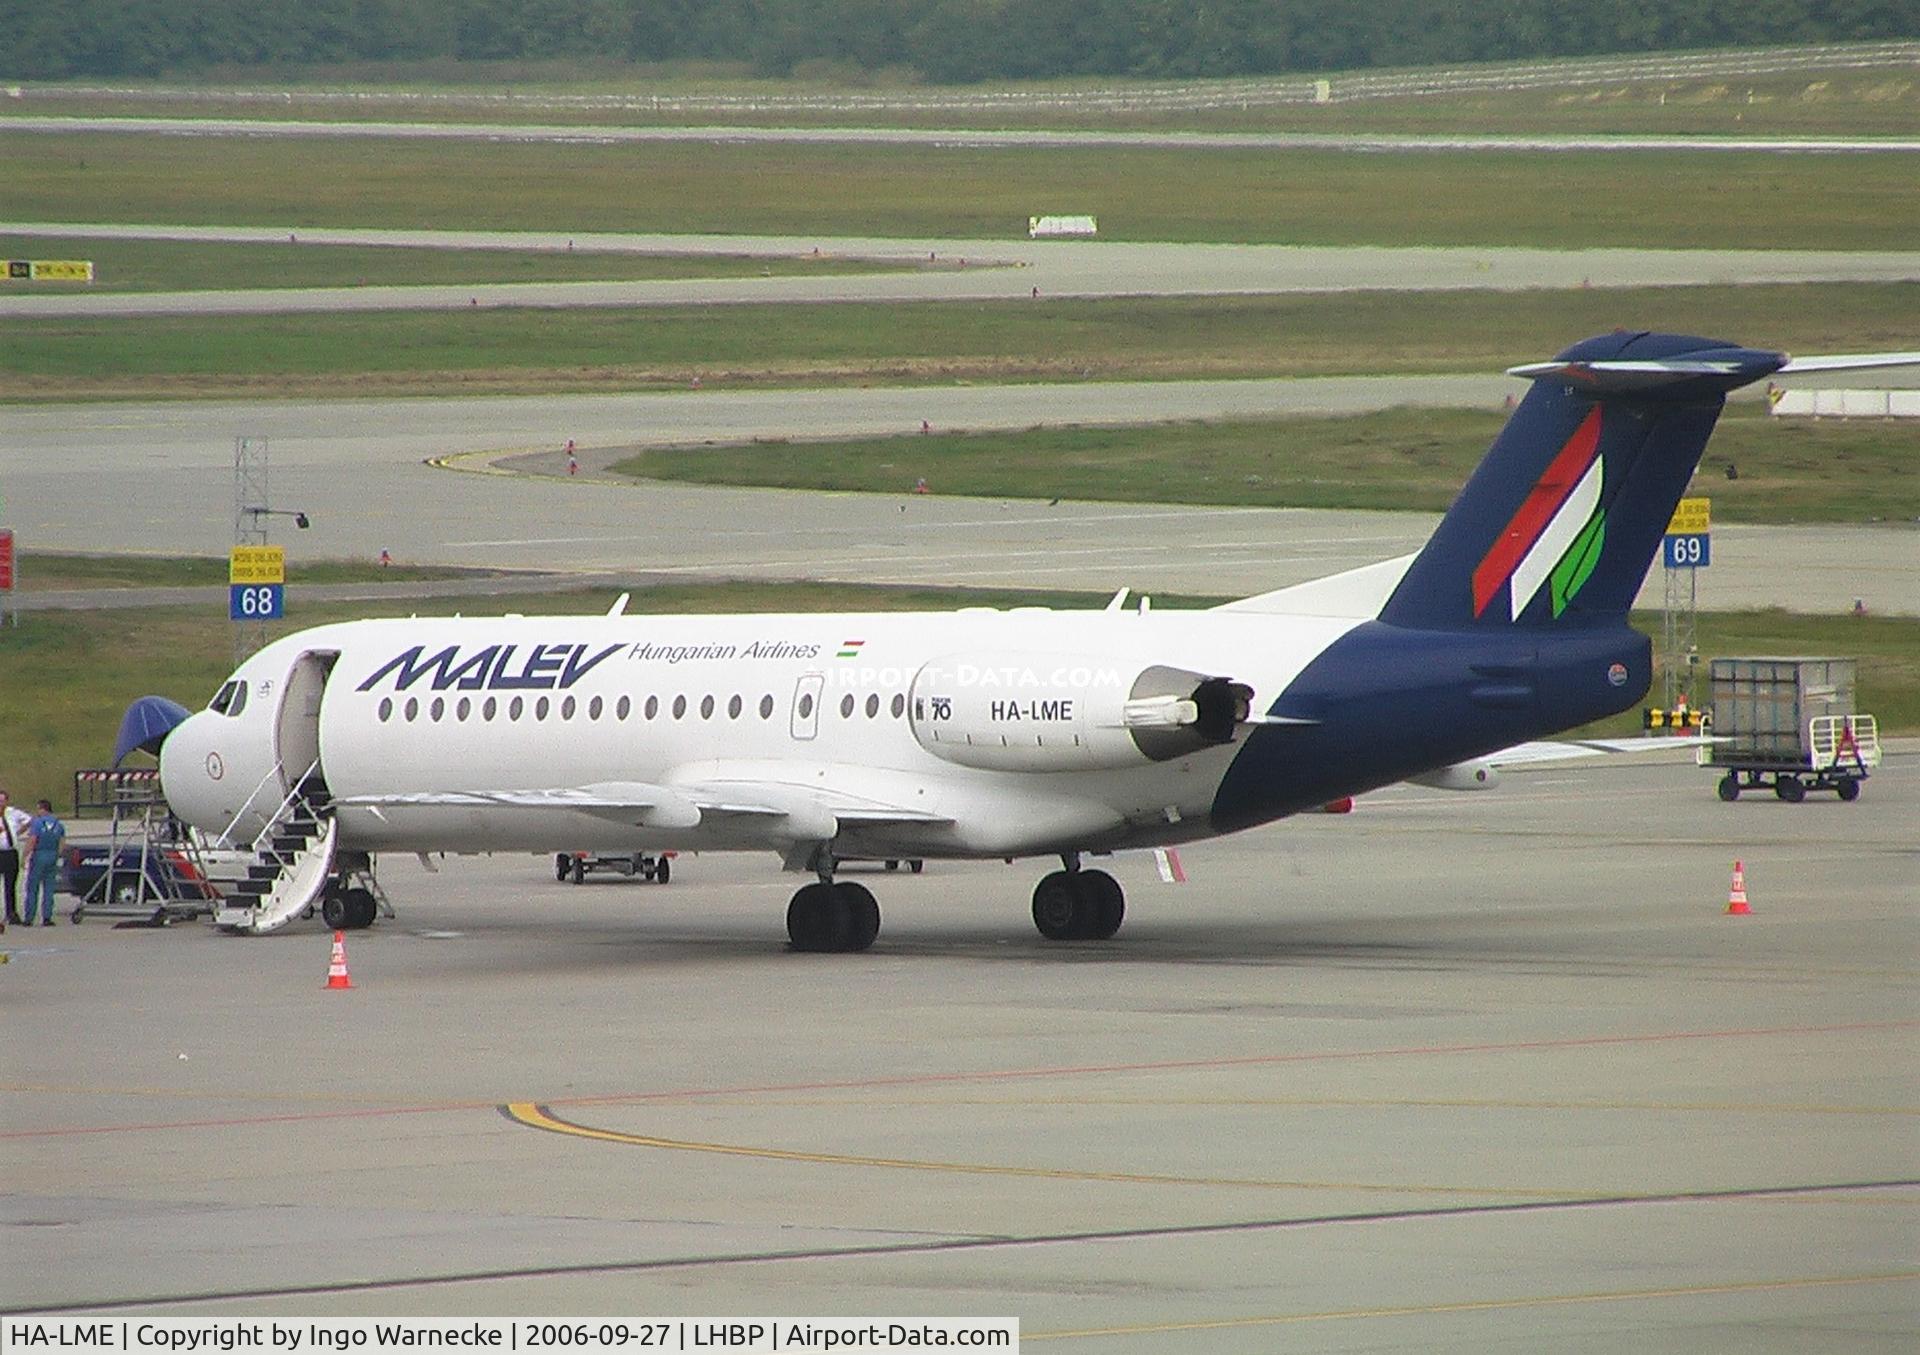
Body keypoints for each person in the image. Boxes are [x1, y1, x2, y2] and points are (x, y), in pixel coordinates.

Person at [22, 798, 65, 926]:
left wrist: (24, 856)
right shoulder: (58, 824)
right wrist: (57, 855)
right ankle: (47, 917)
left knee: (32, 888)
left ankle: (29, 917)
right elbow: (62, 842)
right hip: (52, 855)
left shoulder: (37, 823)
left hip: (39, 855)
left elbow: (32, 840)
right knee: (49, 888)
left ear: (42, 809)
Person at [0, 787, 29, 928]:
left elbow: (29, 820)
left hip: (10, 852)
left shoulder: (13, 813)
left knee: (10, 884)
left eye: (2, 801)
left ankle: (11, 912)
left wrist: (17, 832)